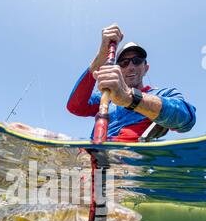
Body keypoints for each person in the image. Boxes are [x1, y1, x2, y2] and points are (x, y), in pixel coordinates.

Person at [67, 24, 196, 141]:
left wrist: (129, 98)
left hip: (135, 161)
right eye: (124, 62)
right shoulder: (106, 98)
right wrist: (100, 58)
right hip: (94, 159)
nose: (130, 67)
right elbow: (75, 107)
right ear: (118, 69)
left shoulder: (163, 94)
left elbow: (186, 120)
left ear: (146, 68)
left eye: (137, 60)